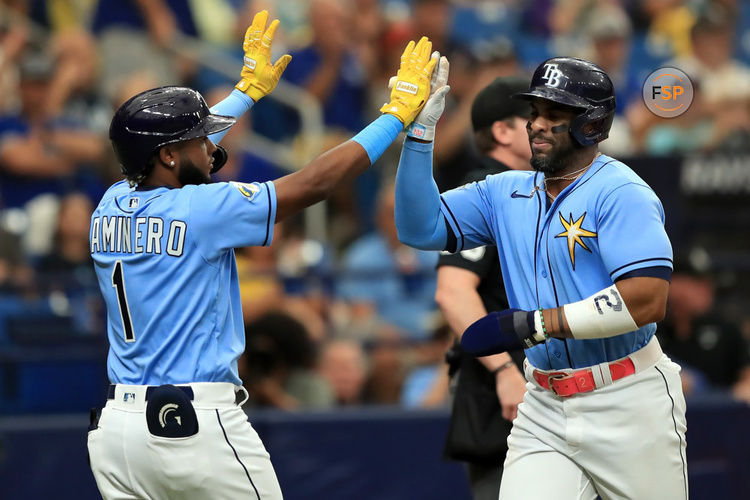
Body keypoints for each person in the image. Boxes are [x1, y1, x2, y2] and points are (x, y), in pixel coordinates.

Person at [86, 9, 439, 499]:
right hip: (193, 426)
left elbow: (183, 154)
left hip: (116, 434)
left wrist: (246, 91)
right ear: (167, 155)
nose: (211, 147)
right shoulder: (204, 207)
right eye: (199, 137)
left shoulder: (109, 202)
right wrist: (392, 119)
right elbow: (314, 182)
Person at [394, 57, 687, 499]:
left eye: (555, 114)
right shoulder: (504, 191)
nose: (536, 124)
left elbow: (646, 300)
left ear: (591, 124)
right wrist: (419, 135)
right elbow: (418, 227)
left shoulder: (622, 191)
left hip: (628, 398)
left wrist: (535, 324)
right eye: (533, 112)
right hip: (543, 404)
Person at [434, 76, 531, 500]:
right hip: (505, 397)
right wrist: (506, 371)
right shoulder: (484, 191)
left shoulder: (538, 191)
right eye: (534, 117)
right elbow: (453, 291)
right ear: (502, 131)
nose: (547, 125)